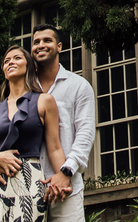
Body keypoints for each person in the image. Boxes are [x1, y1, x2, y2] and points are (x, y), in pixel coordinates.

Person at [0, 46, 69, 222]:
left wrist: (64, 175)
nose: (11, 62)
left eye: (17, 58)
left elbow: (54, 147)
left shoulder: (44, 101)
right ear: (4, 71)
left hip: (30, 180)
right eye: (6, 61)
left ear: (28, 66)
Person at [30, 23, 96, 222]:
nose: (40, 45)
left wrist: (66, 172)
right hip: (28, 187)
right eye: (36, 42)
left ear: (59, 46)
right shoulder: (24, 88)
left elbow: (85, 134)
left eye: (47, 40)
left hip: (66, 187)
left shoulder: (79, 86)